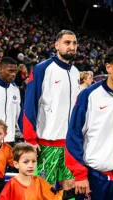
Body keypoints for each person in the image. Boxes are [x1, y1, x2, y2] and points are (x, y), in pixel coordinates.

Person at [66, 44, 113, 200]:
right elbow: (74, 136)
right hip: (94, 177)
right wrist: (80, 174)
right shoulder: (88, 95)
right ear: (109, 67)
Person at [23, 30, 80, 189]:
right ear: (57, 45)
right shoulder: (43, 68)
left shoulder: (75, 72)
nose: (71, 47)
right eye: (67, 43)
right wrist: (30, 138)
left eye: (74, 43)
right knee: (43, 191)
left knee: (69, 189)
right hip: (46, 144)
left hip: (70, 145)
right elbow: (29, 105)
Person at [0, 143, 75, 200]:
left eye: (33, 161)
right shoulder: (11, 185)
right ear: (16, 164)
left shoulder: (40, 182)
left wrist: (74, 191)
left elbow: (54, 196)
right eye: (26, 162)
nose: (31, 165)